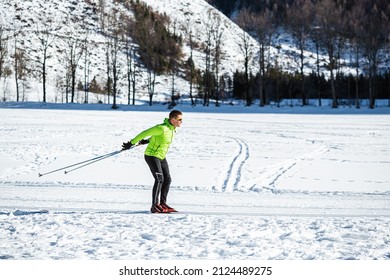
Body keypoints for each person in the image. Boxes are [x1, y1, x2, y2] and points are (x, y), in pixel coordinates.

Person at [122, 110, 183, 213]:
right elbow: (145, 133)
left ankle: (162, 204)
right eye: (179, 119)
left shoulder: (171, 129)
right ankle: (154, 206)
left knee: (167, 179)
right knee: (159, 179)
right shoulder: (161, 128)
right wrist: (131, 143)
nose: (181, 122)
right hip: (152, 156)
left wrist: (148, 141)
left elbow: (158, 138)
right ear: (172, 120)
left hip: (161, 156)